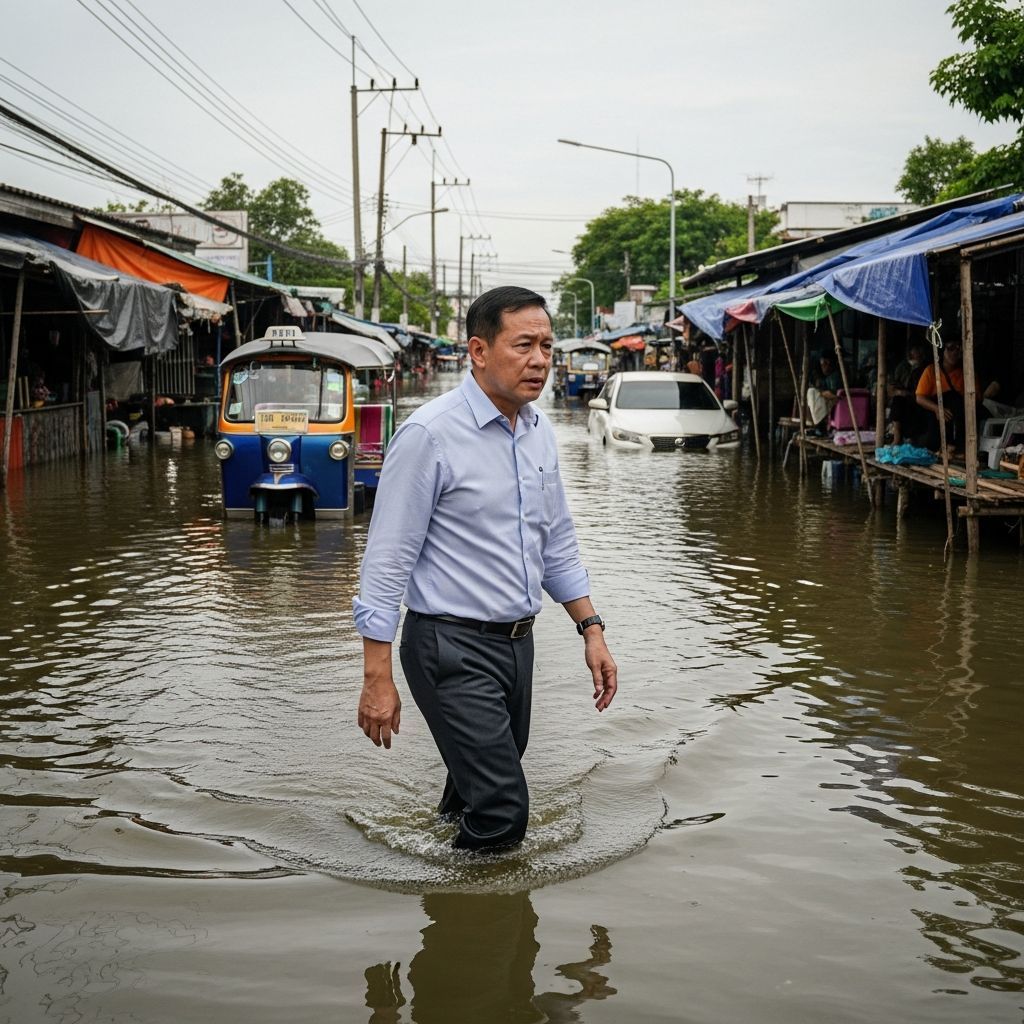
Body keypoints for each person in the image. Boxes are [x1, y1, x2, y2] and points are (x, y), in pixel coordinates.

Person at [353, 285, 618, 852]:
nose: (541, 360)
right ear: (478, 350)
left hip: (516, 645)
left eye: (547, 345)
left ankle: (442, 867)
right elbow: (386, 559)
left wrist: (590, 629)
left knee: (478, 788)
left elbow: (557, 543)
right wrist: (377, 675)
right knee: (504, 808)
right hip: (448, 645)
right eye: (524, 345)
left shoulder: (536, 429)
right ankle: (474, 928)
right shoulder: (429, 435)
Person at [914, 340, 991, 452]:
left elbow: (976, 400)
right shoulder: (931, 370)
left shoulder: (968, 373)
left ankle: (958, 447)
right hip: (934, 416)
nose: (955, 352)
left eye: (958, 349)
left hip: (960, 417)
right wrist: (937, 409)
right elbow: (919, 398)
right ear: (943, 351)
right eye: (950, 348)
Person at [888, 341, 928, 445]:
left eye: (914, 351)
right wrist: (898, 391)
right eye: (910, 351)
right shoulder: (903, 367)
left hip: (922, 400)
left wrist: (906, 393)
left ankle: (907, 437)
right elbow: (895, 384)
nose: (911, 354)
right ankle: (897, 436)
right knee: (897, 400)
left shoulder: (926, 368)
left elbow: (920, 391)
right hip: (907, 399)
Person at [805, 353, 842, 428]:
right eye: (823, 364)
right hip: (827, 403)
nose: (825, 367)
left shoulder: (834, 377)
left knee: (811, 392)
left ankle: (818, 423)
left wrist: (823, 394)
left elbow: (835, 394)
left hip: (836, 403)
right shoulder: (825, 378)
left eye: (827, 364)